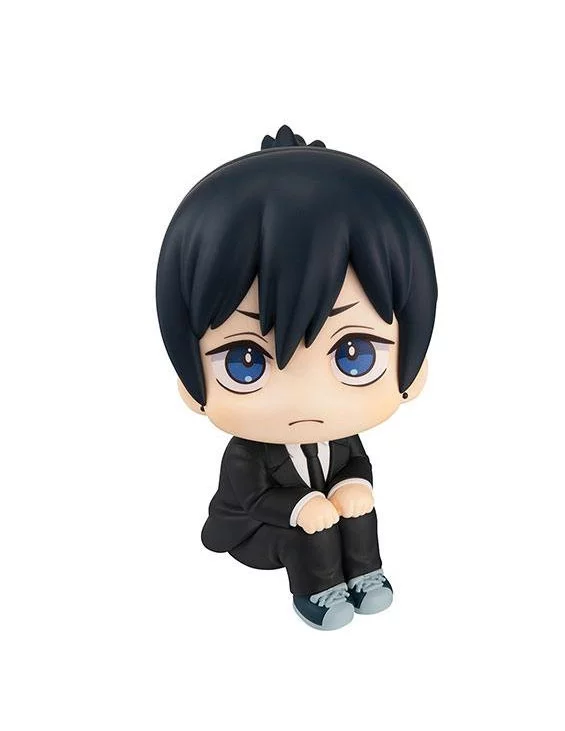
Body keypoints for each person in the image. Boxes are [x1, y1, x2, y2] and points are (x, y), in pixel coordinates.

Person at [156, 125, 437, 630]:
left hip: (323, 517)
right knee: (308, 530)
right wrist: (303, 506)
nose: (306, 399)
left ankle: (365, 574)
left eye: (353, 355)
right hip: (257, 532)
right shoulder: (248, 454)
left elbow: (356, 464)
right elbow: (252, 499)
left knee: (357, 507)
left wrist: (354, 487)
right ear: (188, 381)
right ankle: (317, 594)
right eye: (246, 360)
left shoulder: (342, 438)